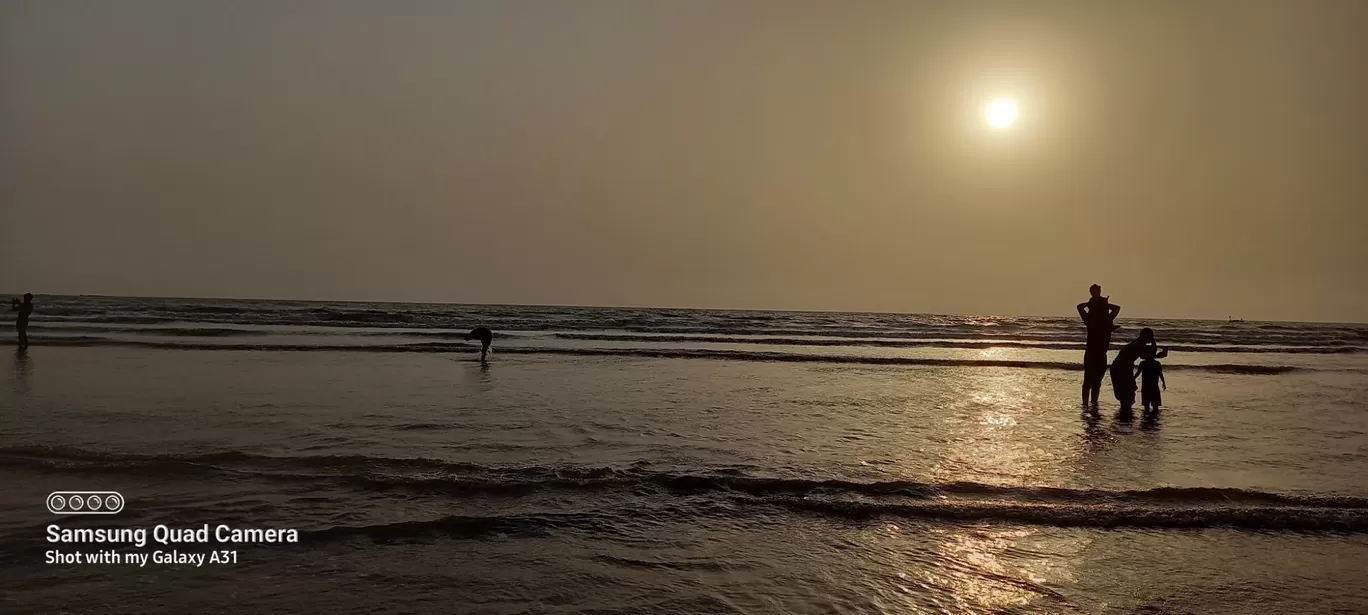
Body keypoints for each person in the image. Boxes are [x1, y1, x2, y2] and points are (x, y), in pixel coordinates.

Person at [1076, 284, 1121, 406]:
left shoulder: (1106, 320)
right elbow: (1080, 307)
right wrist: (1092, 303)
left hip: (1101, 353)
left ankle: (1093, 403)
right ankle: (1085, 404)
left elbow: (1117, 308)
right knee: (1088, 381)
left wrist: (1103, 303)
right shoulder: (1090, 320)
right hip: (1092, 353)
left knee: (1096, 382)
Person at [1110, 327, 1167, 410]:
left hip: (1121, 368)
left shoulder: (1137, 344)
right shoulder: (1138, 345)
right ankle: (1125, 413)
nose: (1152, 338)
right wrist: (1158, 352)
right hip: (1121, 369)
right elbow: (1146, 356)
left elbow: (1149, 353)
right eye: (1151, 337)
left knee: (1126, 393)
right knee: (1127, 393)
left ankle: (1125, 413)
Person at [1134, 345, 1166, 412]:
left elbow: (1138, 373)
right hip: (1153, 385)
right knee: (1154, 406)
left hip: (1147, 385)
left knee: (1147, 406)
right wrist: (1163, 382)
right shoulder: (1156, 363)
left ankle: (1147, 418)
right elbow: (1160, 373)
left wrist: (1132, 379)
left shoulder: (1143, 363)